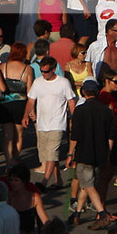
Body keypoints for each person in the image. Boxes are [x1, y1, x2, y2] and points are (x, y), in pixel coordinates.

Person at [68, 78, 117, 228]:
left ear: (83, 92)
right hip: (100, 153)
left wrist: (70, 154)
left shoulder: (80, 110)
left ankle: (102, 213)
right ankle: (77, 214)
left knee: (88, 184)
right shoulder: (106, 111)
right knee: (86, 183)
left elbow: (74, 135)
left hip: (84, 153)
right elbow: (110, 136)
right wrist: (107, 154)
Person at [25, 55, 76, 189]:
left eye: (46, 71)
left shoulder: (63, 82)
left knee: (52, 153)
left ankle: (44, 182)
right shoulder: (38, 82)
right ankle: (58, 180)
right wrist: (25, 116)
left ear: (54, 69)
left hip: (57, 123)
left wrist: (75, 118)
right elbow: (31, 100)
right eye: (42, 71)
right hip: (42, 123)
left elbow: (71, 101)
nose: (43, 74)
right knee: (47, 155)